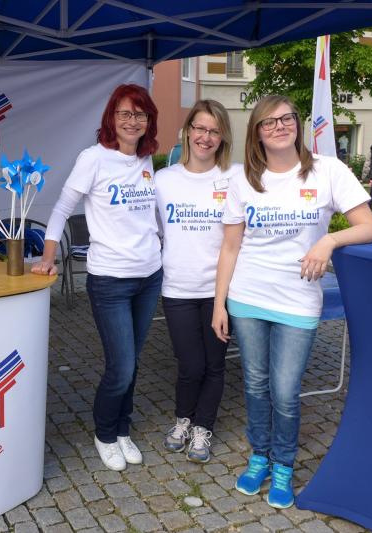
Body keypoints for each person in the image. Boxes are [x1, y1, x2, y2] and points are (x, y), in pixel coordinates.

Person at [212, 95, 372, 508]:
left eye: (286, 118)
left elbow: (369, 227)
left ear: (297, 124)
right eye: (268, 122)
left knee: (285, 391)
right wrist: (219, 305)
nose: (279, 127)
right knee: (255, 384)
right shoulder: (243, 180)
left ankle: (284, 464)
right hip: (248, 297)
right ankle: (260, 455)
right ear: (257, 133)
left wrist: (329, 240)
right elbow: (230, 248)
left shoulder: (327, 171)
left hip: (299, 300)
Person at [32, 84, 162, 471]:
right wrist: (48, 258)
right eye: (125, 113)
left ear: (148, 120)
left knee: (133, 362)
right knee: (120, 366)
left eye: (140, 114)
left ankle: (123, 429)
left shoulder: (146, 159)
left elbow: (149, 215)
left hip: (149, 275)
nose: (132, 121)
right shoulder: (93, 158)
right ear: (111, 117)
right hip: (110, 280)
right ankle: (105, 434)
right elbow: (61, 209)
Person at [155, 100, 243, 463]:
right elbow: (152, 231)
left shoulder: (235, 177)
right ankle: (183, 420)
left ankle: (203, 427)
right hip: (177, 288)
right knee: (190, 365)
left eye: (214, 131)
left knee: (214, 365)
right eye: (200, 128)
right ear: (188, 131)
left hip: (219, 290)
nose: (206, 137)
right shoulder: (163, 180)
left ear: (223, 137)